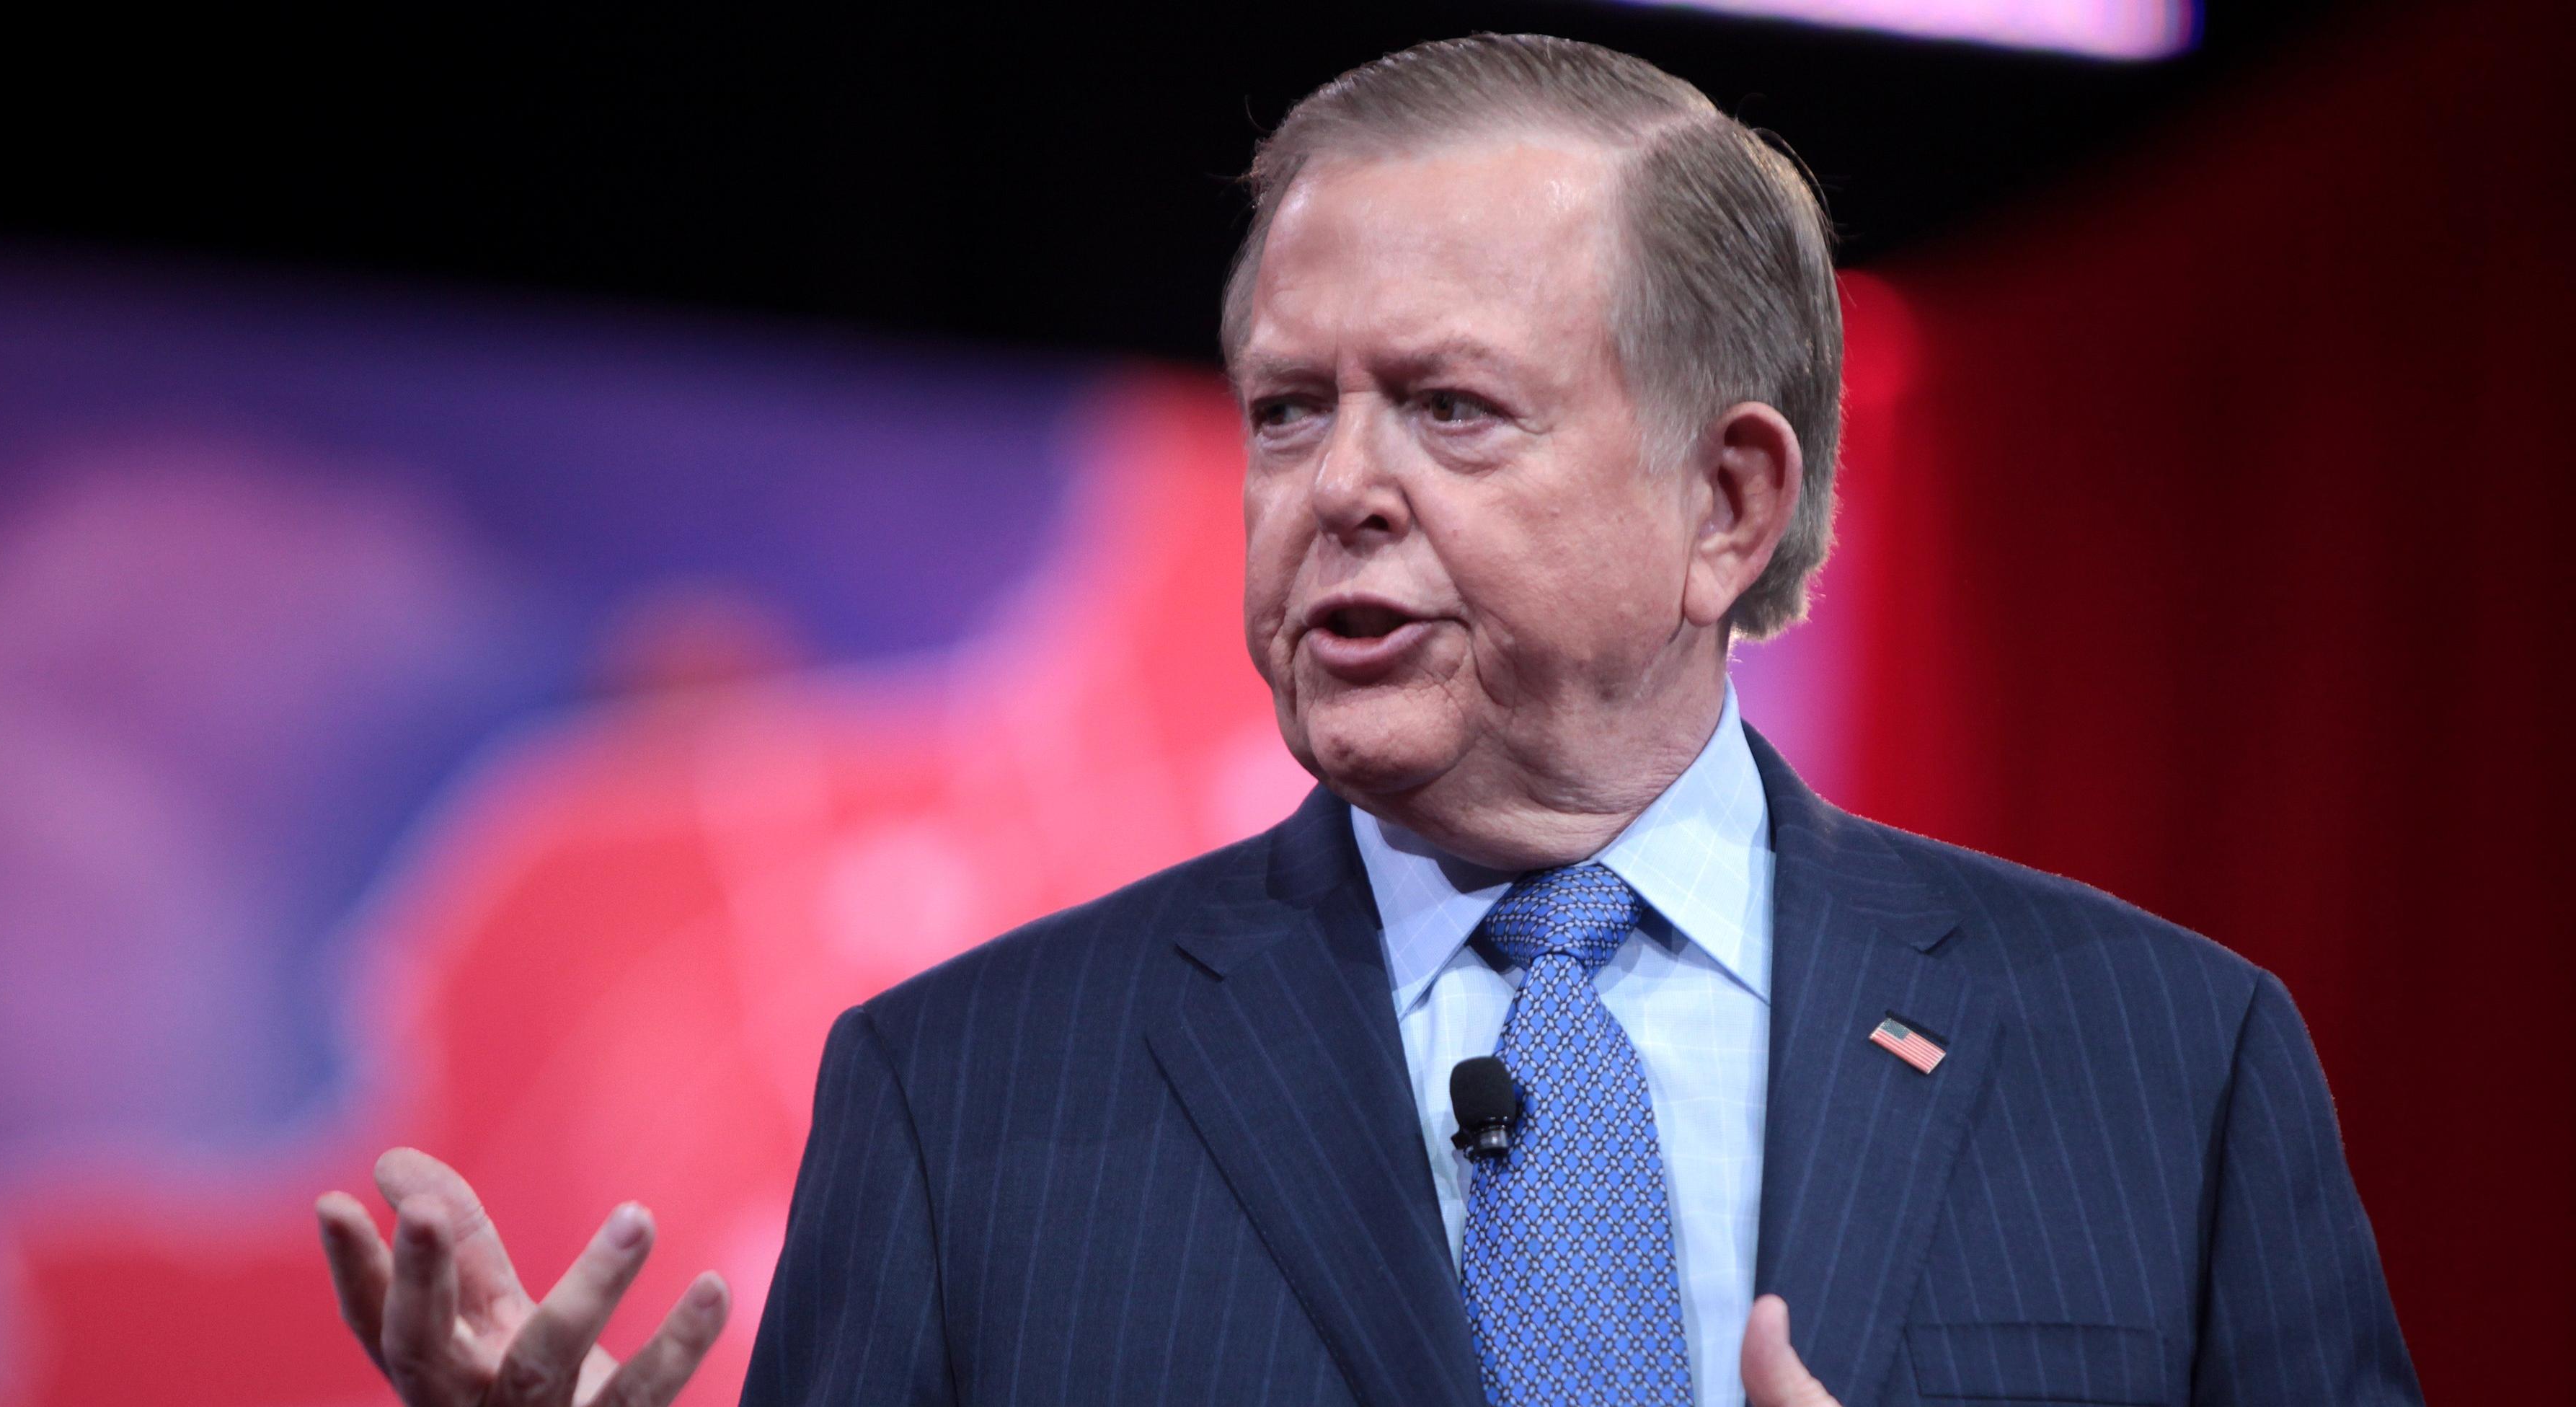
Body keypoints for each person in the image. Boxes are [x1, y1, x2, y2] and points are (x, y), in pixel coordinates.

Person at [314, 34, 2421, 1407]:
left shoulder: (2163, 1064)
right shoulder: (961, 1102)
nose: (1339, 489)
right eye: (1287, 414)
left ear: (1727, 503)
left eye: (1449, 408)